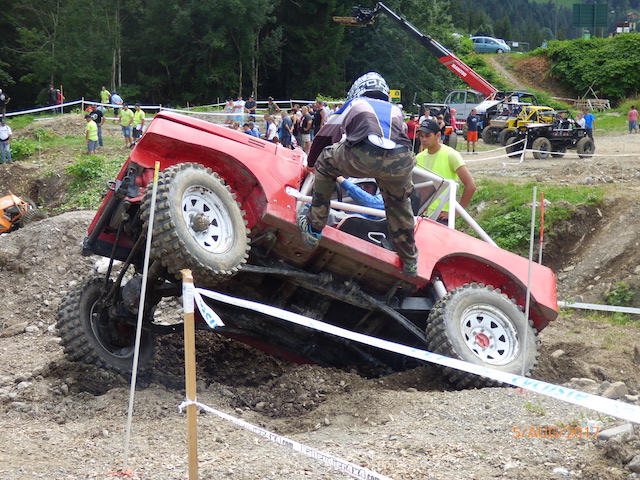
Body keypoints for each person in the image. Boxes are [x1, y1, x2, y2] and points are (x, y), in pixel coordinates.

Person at [297, 72, 418, 277]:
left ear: (357, 90)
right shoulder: (396, 110)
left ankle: (314, 228)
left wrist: (311, 164)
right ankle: (410, 260)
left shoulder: (354, 103)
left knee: (325, 160)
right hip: (401, 160)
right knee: (399, 204)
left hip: (364, 153)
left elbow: (325, 136)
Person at [415, 119, 476, 224]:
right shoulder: (418, 157)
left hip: (441, 217)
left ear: (438, 135)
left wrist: (455, 212)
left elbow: (471, 186)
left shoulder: (451, 155)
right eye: (421, 136)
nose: (423, 139)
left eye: (427, 136)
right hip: (421, 215)